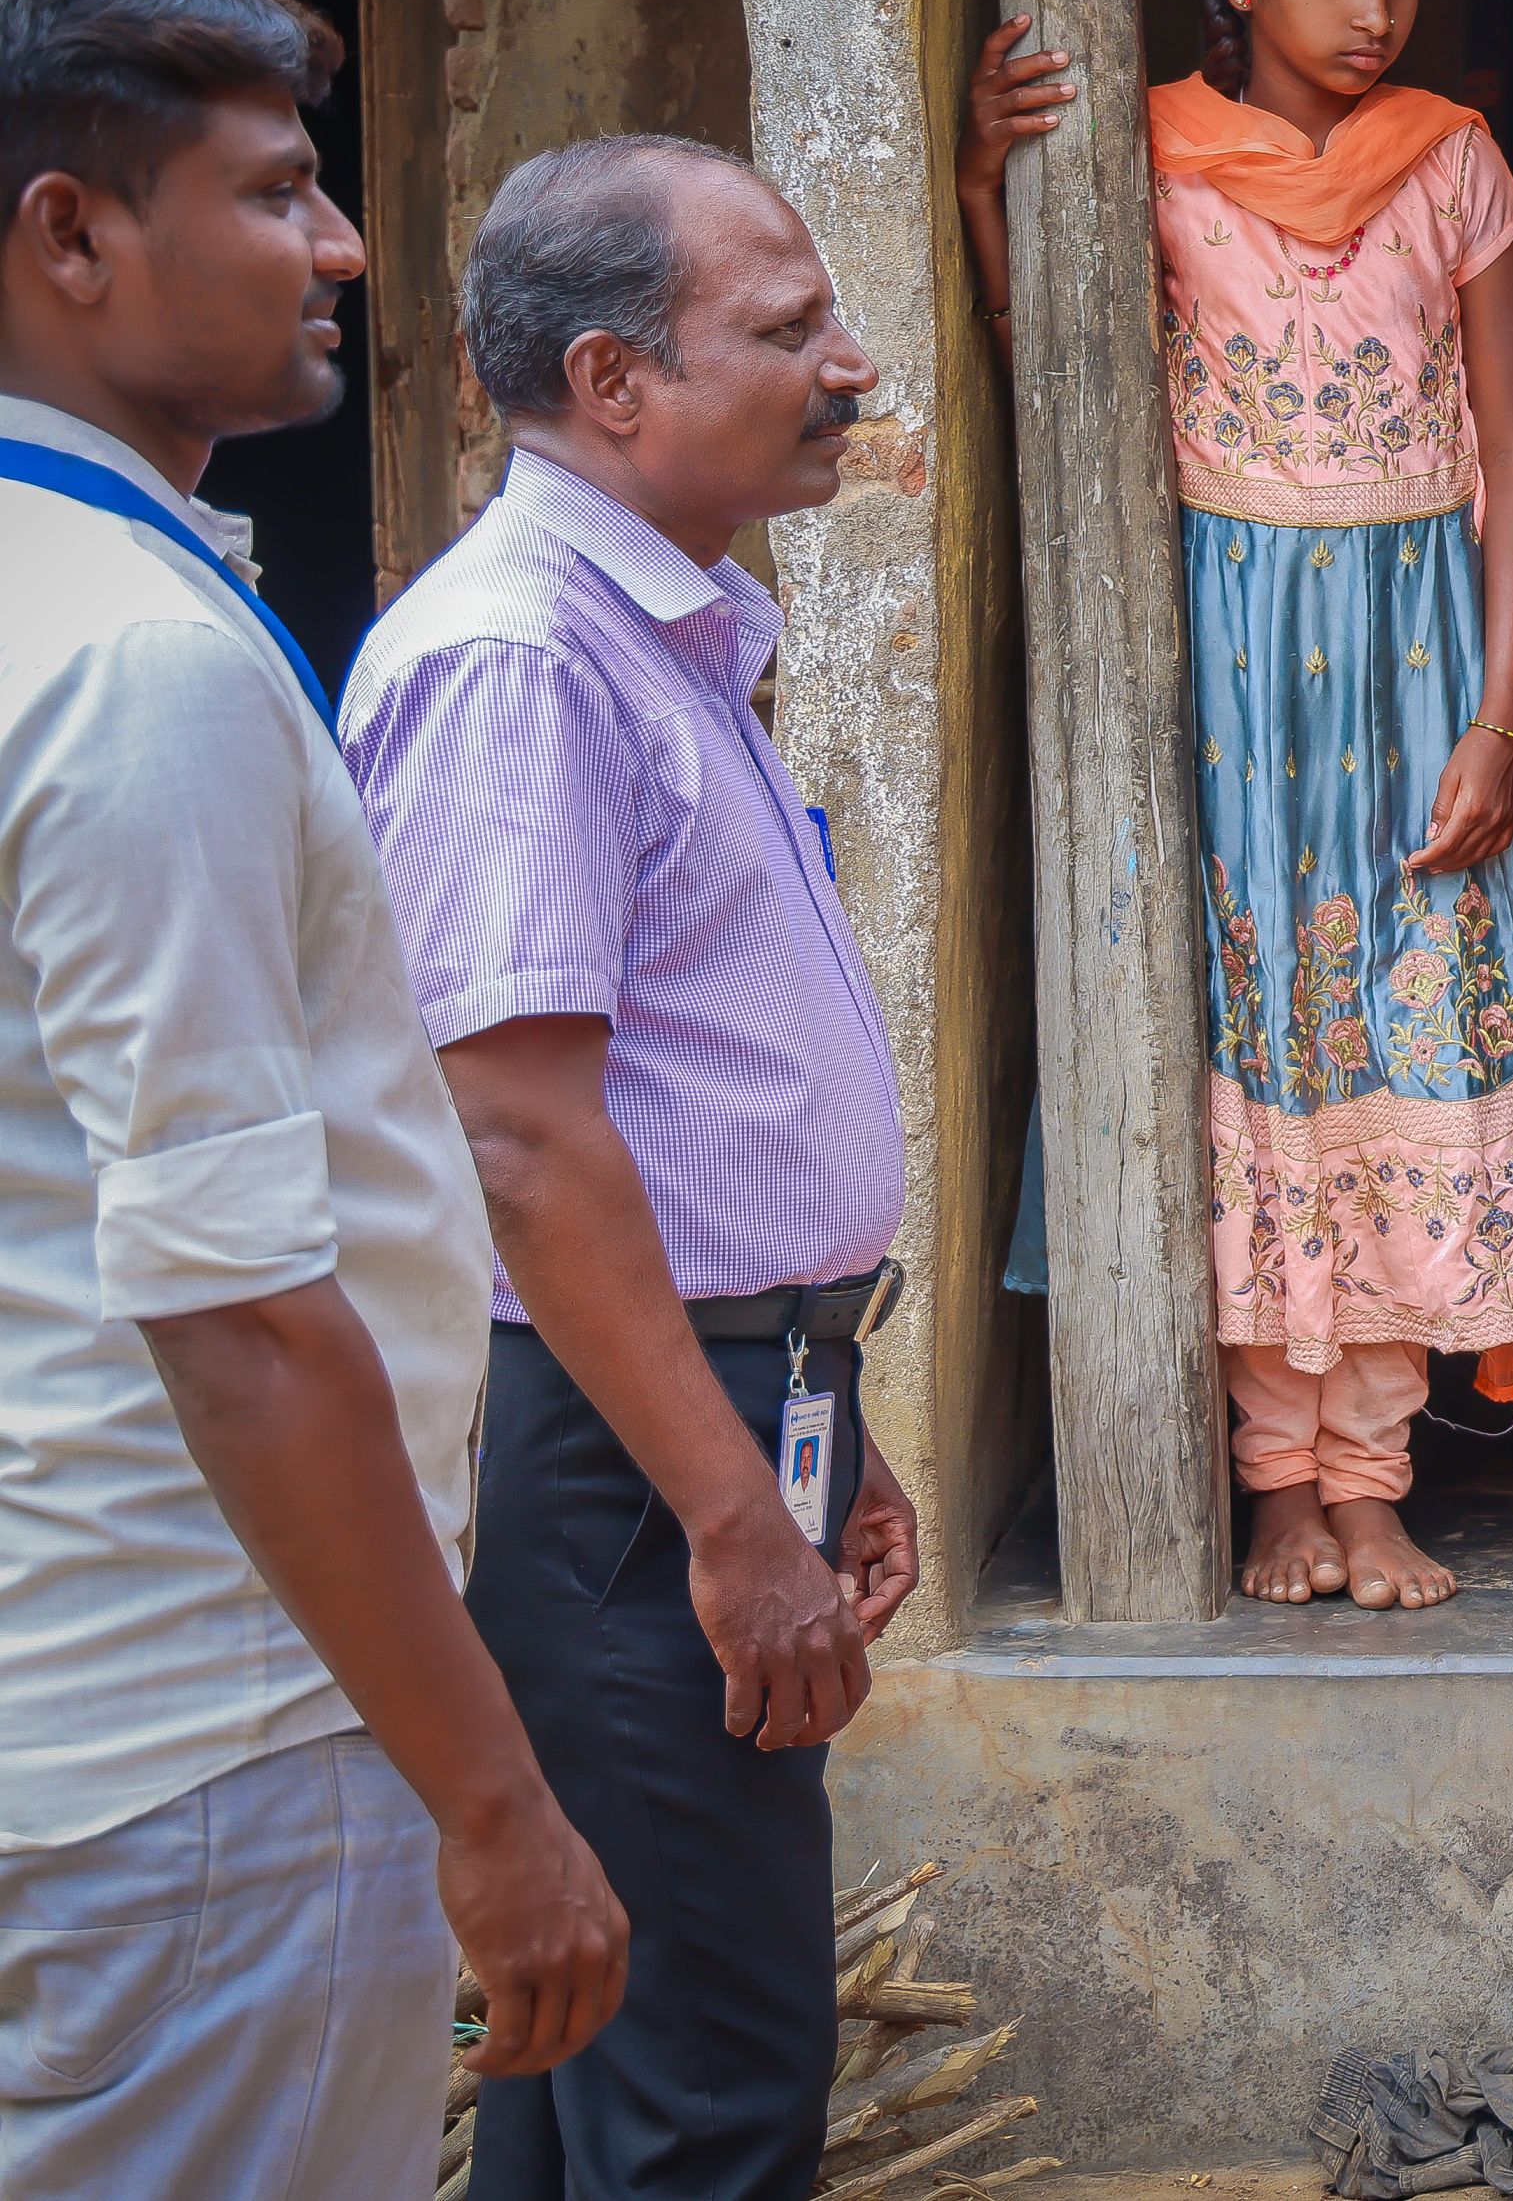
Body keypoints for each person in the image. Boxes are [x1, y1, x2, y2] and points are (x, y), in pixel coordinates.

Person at [0, 0, 624, 2197]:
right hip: (210, 1731)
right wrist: (490, 1794)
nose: (345, 243)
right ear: (70, 233)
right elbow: (247, 1314)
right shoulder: (134, 664)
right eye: (274, 191)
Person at [960, 0, 1513, 1612]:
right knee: (1260, 1041)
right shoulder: (1151, 150)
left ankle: (1372, 1475)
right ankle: (1276, 1481)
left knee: (1414, 1036)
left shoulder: (1451, 160)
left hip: (1418, 648)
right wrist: (982, 190)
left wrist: (1497, 720)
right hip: (1227, 661)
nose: (1374, 14)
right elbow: (1073, 389)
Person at [346, 133, 925, 2201]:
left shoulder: (657, 633)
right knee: (707, 2088)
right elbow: (517, 1135)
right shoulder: (522, 656)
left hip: (694, 1407)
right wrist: (720, 1502)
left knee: (606, 2074)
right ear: (610, 382)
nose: (847, 360)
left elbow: (665, 1107)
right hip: (618, 1457)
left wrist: (809, 1417)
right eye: (785, 328)